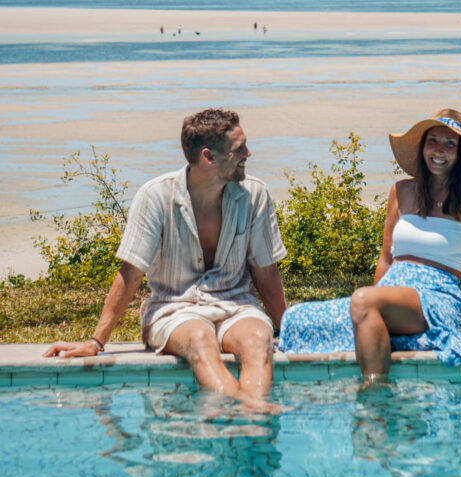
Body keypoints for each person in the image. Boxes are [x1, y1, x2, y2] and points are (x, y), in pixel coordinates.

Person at [45, 108, 287, 412]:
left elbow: (266, 272)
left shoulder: (255, 194)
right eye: (240, 149)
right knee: (200, 340)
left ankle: (253, 422)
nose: (248, 154)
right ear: (208, 157)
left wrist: (286, 329)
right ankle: (246, 414)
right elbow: (131, 272)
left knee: (256, 341)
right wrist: (96, 341)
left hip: (236, 304)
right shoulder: (155, 196)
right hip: (174, 309)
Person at [278, 108, 461, 378]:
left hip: (435, 297)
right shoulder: (401, 191)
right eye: (433, 141)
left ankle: (375, 396)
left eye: (451, 143)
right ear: (422, 147)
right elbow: (386, 258)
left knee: (363, 300)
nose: (439, 150)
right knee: (295, 318)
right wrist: (372, 304)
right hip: (390, 294)